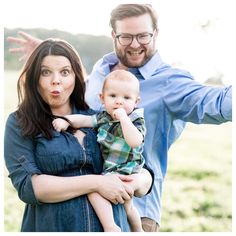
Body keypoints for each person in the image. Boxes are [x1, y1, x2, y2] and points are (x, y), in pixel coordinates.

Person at [7, 3, 232, 232]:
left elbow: (216, 103)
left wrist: (141, 180)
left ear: (156, 33)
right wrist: (52, 58)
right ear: (114, 36)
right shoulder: (101, 71)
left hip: (135, 207)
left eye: (143, 36)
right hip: (71, 209)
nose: (135, 44)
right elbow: (77, 99)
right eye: (126, 37)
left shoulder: (170, 83)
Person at [4, 38, 153, 232]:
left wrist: (138, 181)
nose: (56, 80)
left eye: (65, 72)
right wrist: (97, 183)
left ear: (76, 76)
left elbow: (144, 169)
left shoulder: (98, 117)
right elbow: (28, 186)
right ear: (34, 77)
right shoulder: (20, 122)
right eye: (45, 72)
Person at [52, 69, 146, 232]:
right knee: (105, 195)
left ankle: (133, 229)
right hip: (110, 171)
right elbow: (85, 120)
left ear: (136, 101)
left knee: (124, 205)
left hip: (128, 171)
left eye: (126, 98)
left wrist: (124, 119)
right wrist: (66, 121)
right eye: (112, 96)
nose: (119, 102)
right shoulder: (103, 118)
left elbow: (135, 141)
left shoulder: (135, 120)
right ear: (102, 98)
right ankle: (112, 226)